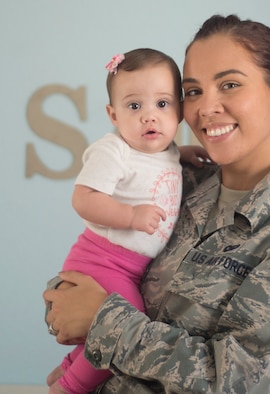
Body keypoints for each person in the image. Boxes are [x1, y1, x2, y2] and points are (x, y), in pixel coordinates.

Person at [44, 14, 270, 393]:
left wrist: (101, 321)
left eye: (230, 85)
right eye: (194, 91)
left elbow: (236, 381)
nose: (206, 108)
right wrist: (65, 304)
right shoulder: (178, 180)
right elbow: (82, 279)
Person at [46, 48, 208, 394]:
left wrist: (183, 155)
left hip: (131, 267)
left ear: (178, 111)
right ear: (113, 114)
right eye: (135, 106)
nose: (150, 117)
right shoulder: (113, 151)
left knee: (100, 327)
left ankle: (68, 369)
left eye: (162, 104)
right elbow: (84, 198)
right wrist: (130, 215)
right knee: (123, 320)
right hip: (101, 260)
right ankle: (70, 387)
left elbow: (155, 167)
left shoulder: (165, 151)